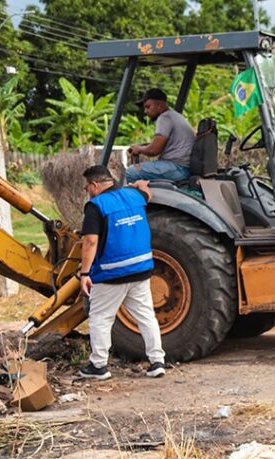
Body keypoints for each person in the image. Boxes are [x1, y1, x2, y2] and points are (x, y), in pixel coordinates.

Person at [77, 164, 166, 380]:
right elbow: (147, 193)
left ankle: (98, 366)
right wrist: (141, 184)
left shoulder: (95, 206)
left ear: (95, 185)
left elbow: (90, 242)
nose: (88, 191)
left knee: (100, 318)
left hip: (110, 274)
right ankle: (157, 362)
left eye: (87, 187)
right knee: (146, 316)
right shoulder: (135, 195)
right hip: (141, 270)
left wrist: (84, 273)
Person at [124, 88, 195, 183]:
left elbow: (154, 150)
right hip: (182, 167)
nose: (145, 111)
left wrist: (139, 149)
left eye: (148, 107)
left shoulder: (164, 118)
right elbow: (162, 144)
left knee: (131, 172)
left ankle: (138, 197)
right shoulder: (175, 116)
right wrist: (143, 146)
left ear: (159, 105)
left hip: (177, 168)